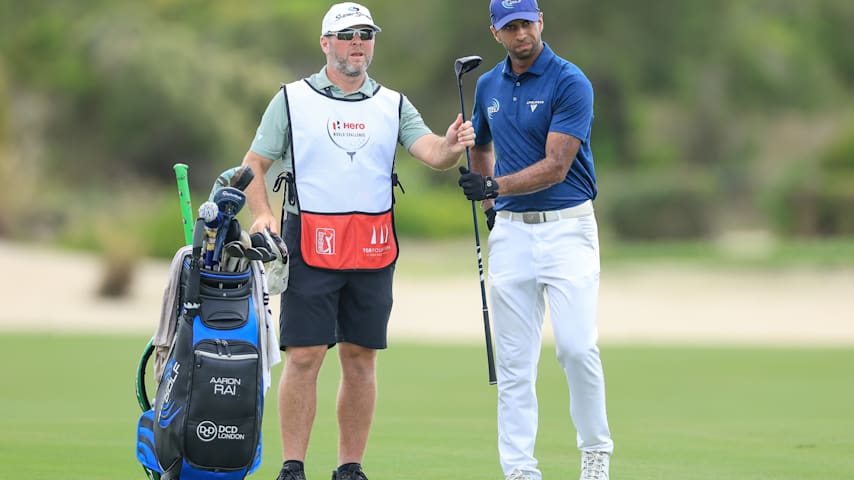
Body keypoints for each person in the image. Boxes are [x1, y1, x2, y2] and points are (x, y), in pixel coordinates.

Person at [237, 3, 475, 480]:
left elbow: (429, 151)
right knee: (305, 355)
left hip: (371, 241)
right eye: (347, 36)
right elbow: (252, 167)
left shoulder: (393, 102)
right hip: (309, 239)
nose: (357, 43)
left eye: (365, 34)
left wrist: (450, 145)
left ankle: (349, 468)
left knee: (360, 357)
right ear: (326, 43)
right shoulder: (291, 99)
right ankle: (293, 466)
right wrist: (262, 214)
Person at [457, 1, 614, 479]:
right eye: (510, 27)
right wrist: (489, 209)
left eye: (527, 23)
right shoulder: (486, 86)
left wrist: (495, 188)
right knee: (514, 366)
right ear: (495, 32)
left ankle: (595, 453)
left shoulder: (570, 81)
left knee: (576, 347)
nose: (521, 33)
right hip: (511, 236)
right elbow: (481, 144)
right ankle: (520, 471)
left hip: (568, 229)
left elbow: (556, 165)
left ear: (541, 23)